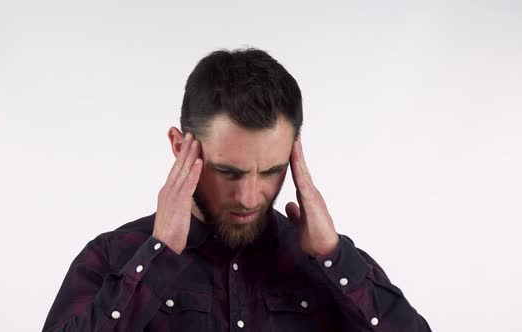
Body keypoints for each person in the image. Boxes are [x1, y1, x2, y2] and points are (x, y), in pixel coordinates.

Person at [42, 48, 432, 332]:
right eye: (229, 172)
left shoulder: (328, 266)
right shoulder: (113, 257)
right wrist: (158, 258)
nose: (249, 197)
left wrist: (334, 255)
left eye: (271, 172)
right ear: (181, 148)